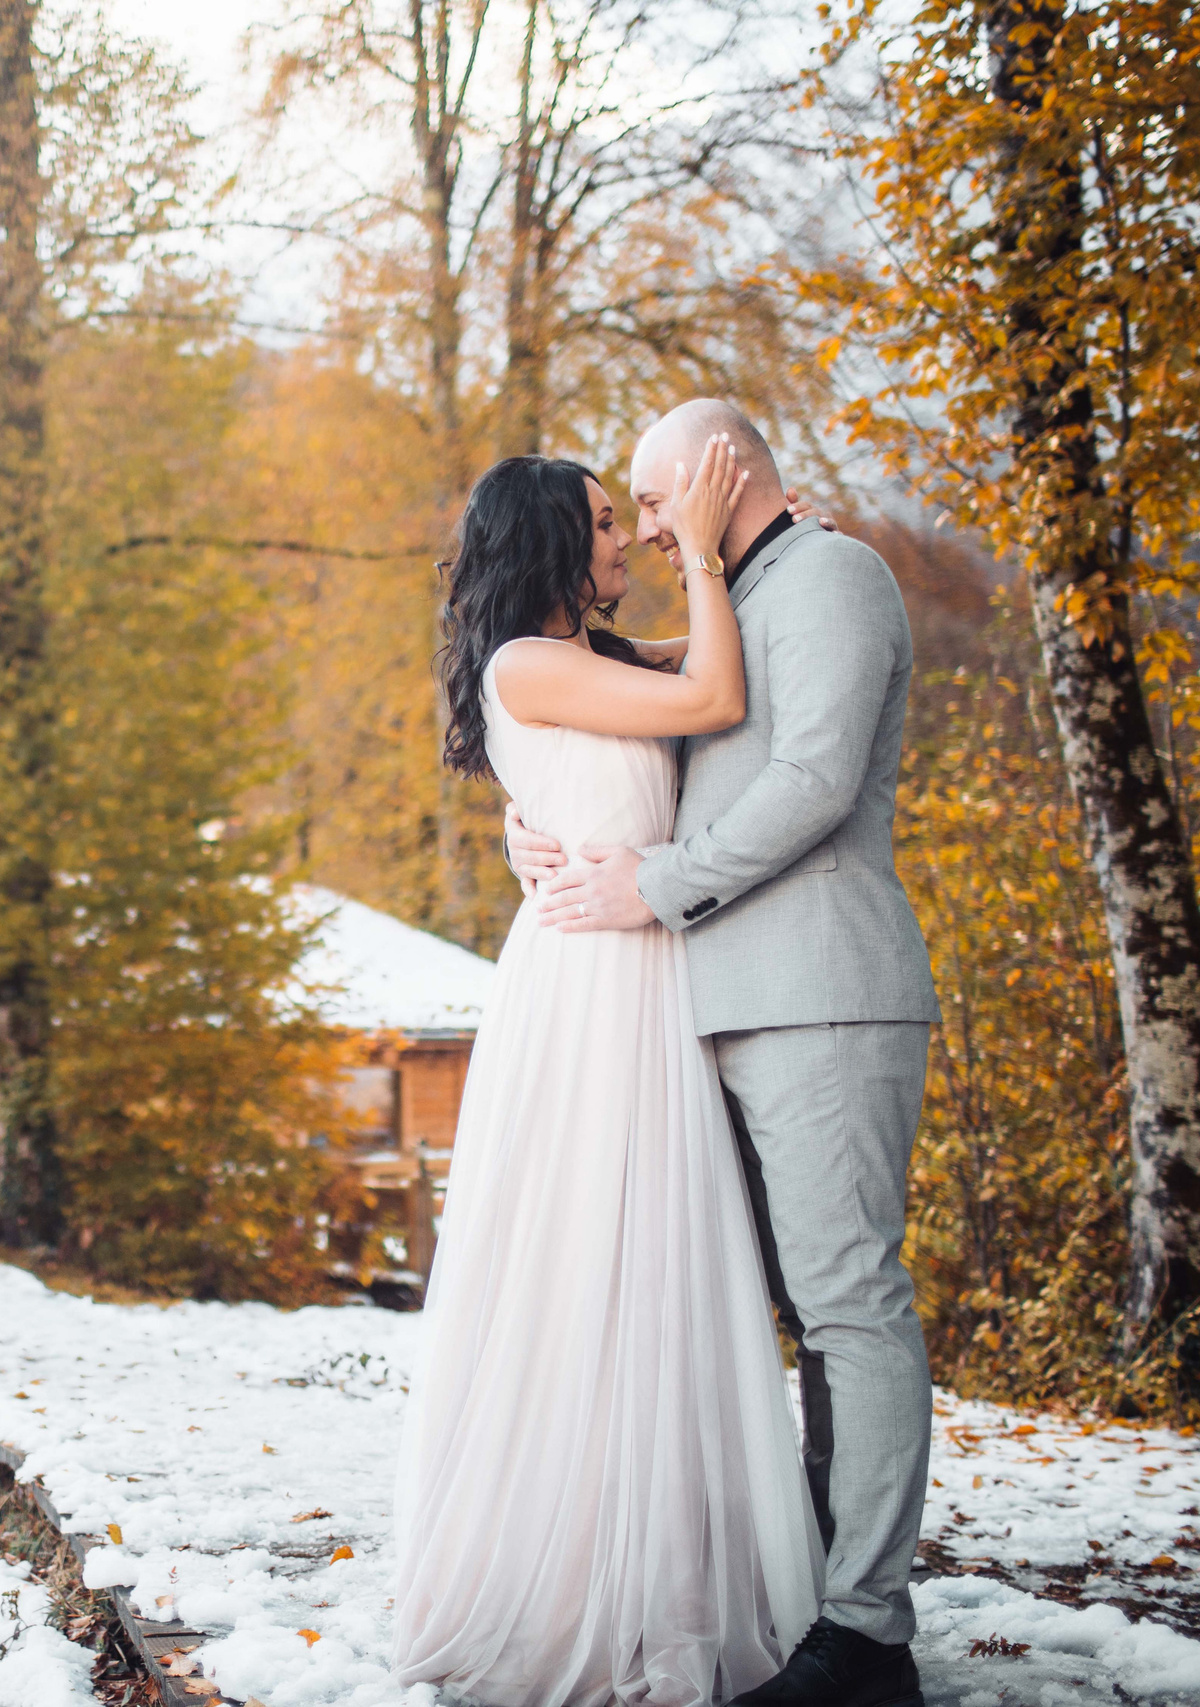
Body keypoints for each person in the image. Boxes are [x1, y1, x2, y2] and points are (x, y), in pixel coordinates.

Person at [510, 398, 940, 1707]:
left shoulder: (831, 577)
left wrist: (660, 881)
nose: (642, 525)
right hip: (708, 1004)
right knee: (762, 1312)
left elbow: (812, 779)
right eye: (630, 513)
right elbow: (586, 701)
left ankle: (866, 1634)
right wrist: (543, 833)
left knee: (850, 1298)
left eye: (650, 498)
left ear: (717, 468)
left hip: (821, 991)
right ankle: (797, 1591)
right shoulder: (727, 605)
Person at [392, 436, 824, 1707]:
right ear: (539, 541)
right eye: (597, 524)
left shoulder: (582, 660)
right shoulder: (528, 661)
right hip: (588, 984)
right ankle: (581, 1570)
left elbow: (708, 671)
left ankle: (667, 1559)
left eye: (621, 520)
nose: (619, 541)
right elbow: (712, 705)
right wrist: (699, 540)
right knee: (593, 1246)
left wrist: (766, 539)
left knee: (664, 1254)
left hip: (639, 963)